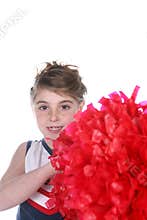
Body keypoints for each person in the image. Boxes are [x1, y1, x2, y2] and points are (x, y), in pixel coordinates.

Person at [0, 61, 87, 220]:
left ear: (80, 108)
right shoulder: (27, 151)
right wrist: (52, 167)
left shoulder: (94, 151)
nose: (53, 117)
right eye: (44, 107)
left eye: (64, 107)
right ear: (33, 107)